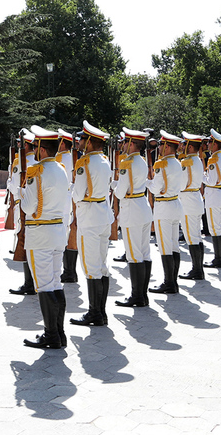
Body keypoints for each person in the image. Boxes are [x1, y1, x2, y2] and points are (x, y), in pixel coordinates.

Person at [21, 126, 69, 349]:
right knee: (56, 282)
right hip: (58, 231)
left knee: (44, 285)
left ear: (40, 148)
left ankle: (51, 335)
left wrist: (22, 193)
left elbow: (29, 207)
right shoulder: (61, 169)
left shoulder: (36, 171)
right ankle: (59, 333)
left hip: (40, 233)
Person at [69, 121, 113, 327]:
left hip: (89, 217)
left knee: (91, 267)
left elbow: (78, 194)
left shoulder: (84, 163)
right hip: (103, 214)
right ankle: (101, 312)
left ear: (89, 142)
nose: (79, 142)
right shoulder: (104, 160)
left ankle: (94, 312)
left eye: (82, 139)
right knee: (102, 265)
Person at [113, 128, 154, 307]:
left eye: (125, 142)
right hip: (142, 206)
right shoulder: (142, 160)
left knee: (133, 254)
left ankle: (136, 296)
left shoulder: (127, 163)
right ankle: (143, 295)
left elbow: (121, 192)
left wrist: (113, 186)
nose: (122, 145)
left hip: (131, 209)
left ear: (131, 144)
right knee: (144, 252)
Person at [147, 131, 185, 294]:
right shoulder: (178, 163)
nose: (160, 147)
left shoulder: (161, 164)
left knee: (165, 246)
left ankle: (168, 282)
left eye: (162, 144)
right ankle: (173, 281)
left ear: (168, 146)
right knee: (174, 245)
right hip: (176, 203)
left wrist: (147, 182)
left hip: (164, 206)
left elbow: (156, 189)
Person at [9, 129, 38, 296]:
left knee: (24, 242)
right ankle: (33, 281)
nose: (19, 145)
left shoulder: (19, 163)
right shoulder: (36, 161)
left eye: (20, 143)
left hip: (22, 205)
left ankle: (29, 283)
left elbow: (14, 187)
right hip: (34, 205)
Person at [178, 133, 207, 281]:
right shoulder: (198, 160)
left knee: (191, 238)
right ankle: (199, 269)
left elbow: (182, 185)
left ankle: (196, 270)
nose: (181, 147)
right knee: (196, 236)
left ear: (190, 146)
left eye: (184, 144)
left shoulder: (187, 162)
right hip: (194, 199)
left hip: (188, 201)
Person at [203, 130, 221, 269]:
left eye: (209, 142)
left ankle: (218, 258)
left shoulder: (214, 159)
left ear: (215, 144)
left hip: (213, 194)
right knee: (218, 228)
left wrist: (200, 176)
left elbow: (211, 181)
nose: (207, 144)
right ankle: (219, 257)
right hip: (217, 194)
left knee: (215, 229)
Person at [57, 129, 78, 283]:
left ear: (63, 143)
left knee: (63, 237)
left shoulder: (60, 159)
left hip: (62, 203)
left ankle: (68, 271)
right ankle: (69, 271)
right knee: (68, 236)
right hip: (67, 202)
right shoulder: (72, 157)